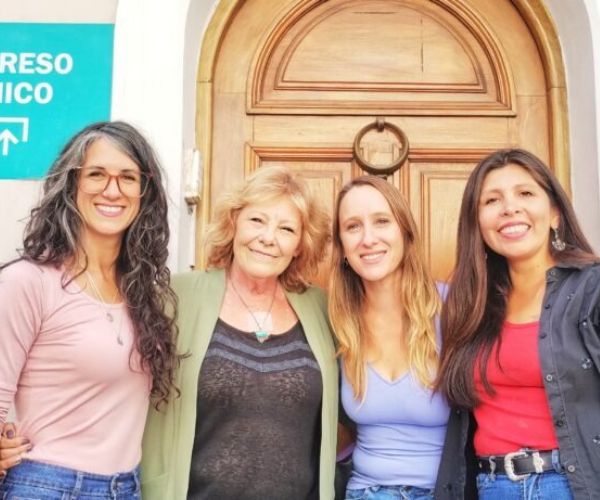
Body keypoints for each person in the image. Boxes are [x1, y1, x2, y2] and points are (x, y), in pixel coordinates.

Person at [0, 121, 179, 499]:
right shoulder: (28, 282)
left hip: (126, 487)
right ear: (71, 185)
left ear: (144, 192)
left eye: (128, 177)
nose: (112, 190)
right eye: (96, 174)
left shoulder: (142, 293)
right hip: (48, 484)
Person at [140, 166, 338, 499]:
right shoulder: (176, 297)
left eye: (286, 228)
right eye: (257, 221)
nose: (268, 238)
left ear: (300, 246)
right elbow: (119, 380)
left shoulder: (320, 308)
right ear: (233, 224)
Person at [434, 148, 600, 499]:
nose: (510, 207)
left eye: (525, 193)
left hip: (568, 485)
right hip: (490, 484)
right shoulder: (471, 303)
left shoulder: (592, 289)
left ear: (555, 212)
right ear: (477, 222)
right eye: (492, 200)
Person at [328, 175, 449, 500]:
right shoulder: (337, 323)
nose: (368, 238)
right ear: (341, 247)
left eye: (382, 221)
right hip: (364, 492)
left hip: (444, 491)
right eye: (352, 226)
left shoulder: (450, 309)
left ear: (405, 233)